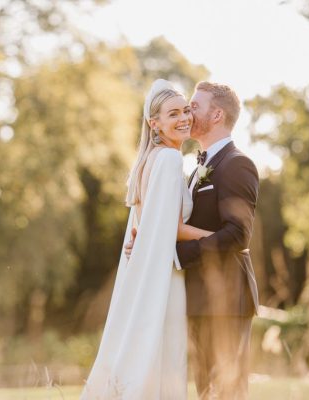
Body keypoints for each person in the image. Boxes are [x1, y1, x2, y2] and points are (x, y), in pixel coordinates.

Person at [126, 81, 260, 400]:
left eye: (194, 107)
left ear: (216, 115)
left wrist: (179, 254)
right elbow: (176, 223)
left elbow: (238, 234)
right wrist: (147, 243)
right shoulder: (197, 167)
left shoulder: (237, 164)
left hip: (227, 299)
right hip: (199, 296)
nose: (188, 113)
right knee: (206, 391)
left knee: (227, 392)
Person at [80, 79, 212, 399]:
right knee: (165, 353)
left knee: (150, 352)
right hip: (164, 276)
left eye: (185, 111)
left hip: (149, 269)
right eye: (173, 114)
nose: (184, 118)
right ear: (155, 123)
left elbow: (146, 224)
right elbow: (171, 226)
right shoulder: (167, 160)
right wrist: (223, 238)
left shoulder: (148, 160)